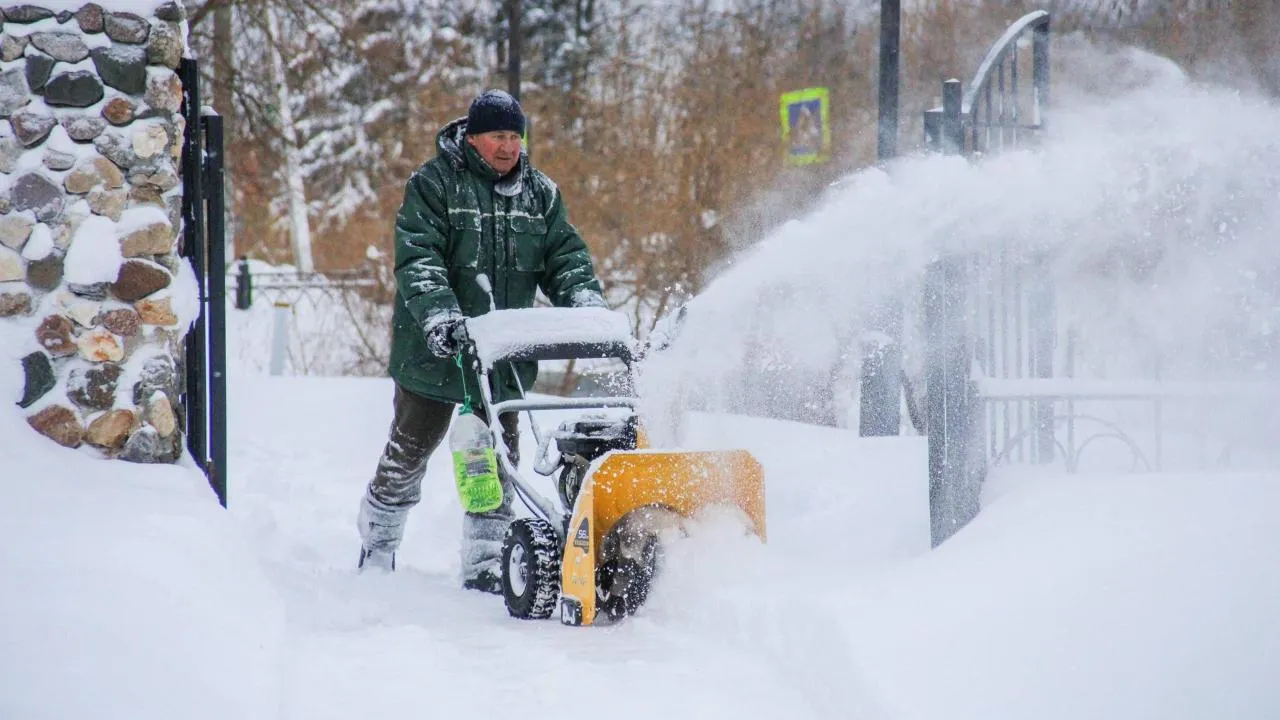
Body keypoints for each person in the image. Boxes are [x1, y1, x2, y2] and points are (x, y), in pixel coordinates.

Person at [356, 90, 607, 592]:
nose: (508, 146)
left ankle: (487, 565)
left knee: (495, 461)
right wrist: (442, 315)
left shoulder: (540, 193)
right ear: (472, 136)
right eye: (498, 136)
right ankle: (379, 545)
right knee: (409, 453)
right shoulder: (433, 185)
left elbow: (566, 257)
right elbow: (418, 257)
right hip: (435, 353)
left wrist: (586, 305)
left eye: (516, 137)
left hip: (500, 357)